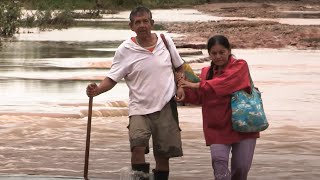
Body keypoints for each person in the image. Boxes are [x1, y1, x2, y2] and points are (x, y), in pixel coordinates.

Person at [86, 6, 185, 180]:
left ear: (152, 23)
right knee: (137, 147)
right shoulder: (125, 50)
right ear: (131, 26)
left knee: (163, 154)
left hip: (166, 106)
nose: (142, 25)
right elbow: (112, 78)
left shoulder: (165, 41)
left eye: (145, 21)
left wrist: (181, 86)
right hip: (139, 108)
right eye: (137, 22)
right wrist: (97, 90)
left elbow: (179, 67)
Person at [177, 35, 259, 180]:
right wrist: (183, 90)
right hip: (217, 127)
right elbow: (201, 98)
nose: (218, 56)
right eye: (214, 53)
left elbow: (225, 83)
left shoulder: (240, 66)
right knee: (219, 166)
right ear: (209, 54)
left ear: (229, 51)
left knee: (241, 169)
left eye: (222, 52)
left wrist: (196, 85)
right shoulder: (205, 73)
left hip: (244, 125)